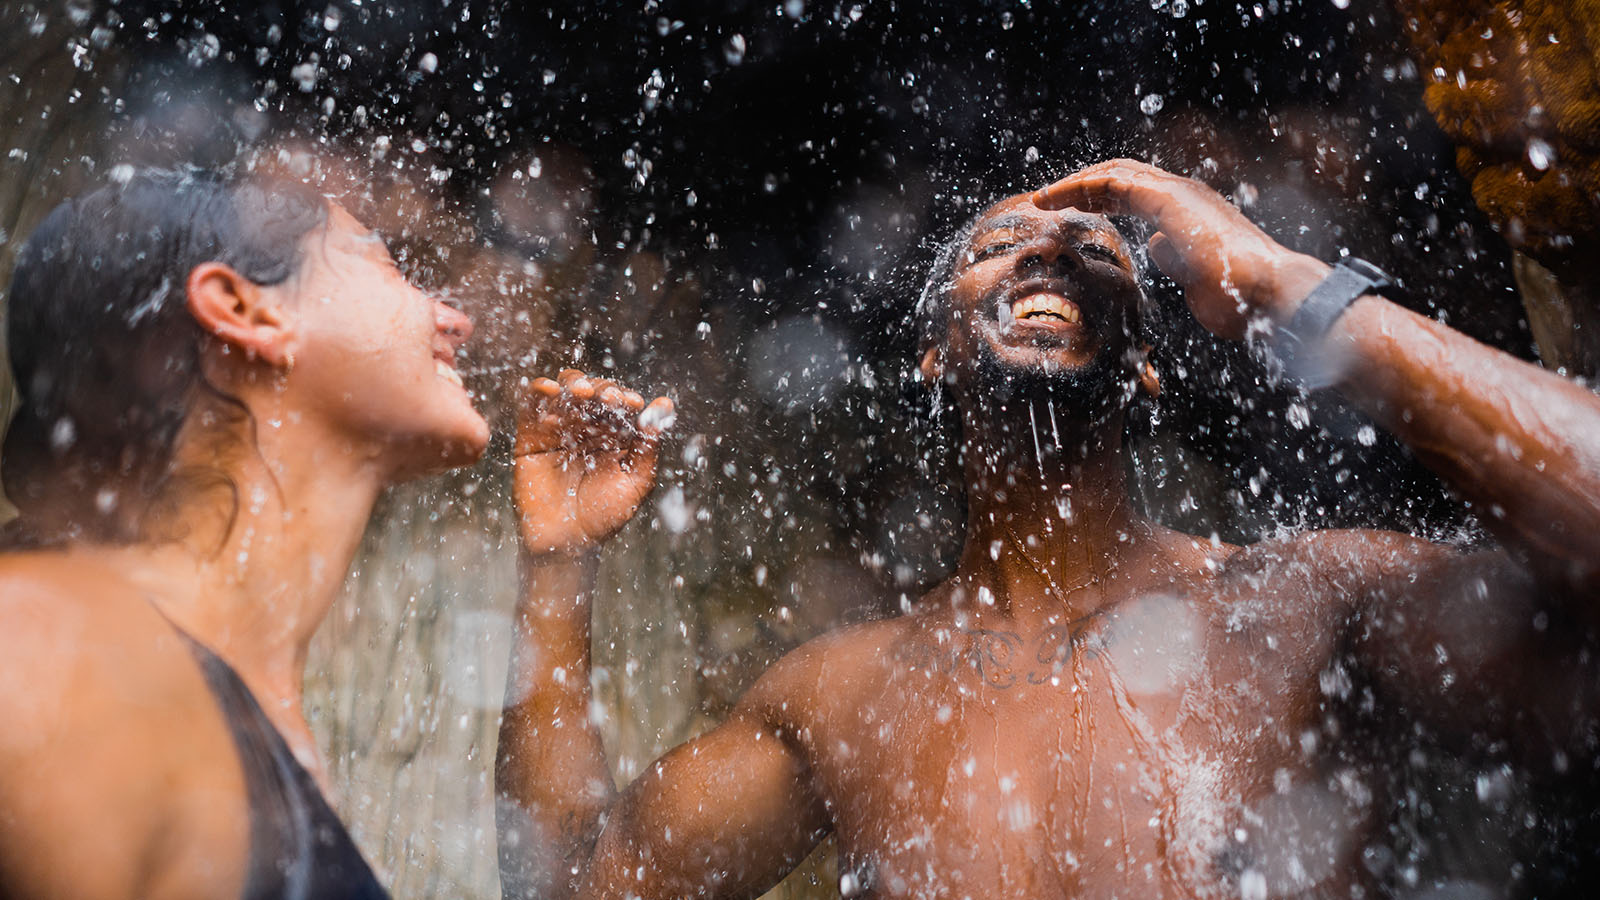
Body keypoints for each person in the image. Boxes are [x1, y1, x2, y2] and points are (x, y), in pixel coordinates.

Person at [496, 159, 1600, 899]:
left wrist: (1283, 283)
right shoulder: (840, 695)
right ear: (933, 356)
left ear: (1148, 367)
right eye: (999, 244)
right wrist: (558, 563)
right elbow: (581, 880)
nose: (1048, 252)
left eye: (1097, 250)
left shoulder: (1310, 604)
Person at [0, 169, 660, 900]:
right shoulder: (43, 648)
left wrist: (561, 564)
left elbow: (576, 887)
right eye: (386, 265)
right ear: (244, 310)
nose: (456, 320)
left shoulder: (235, 712)